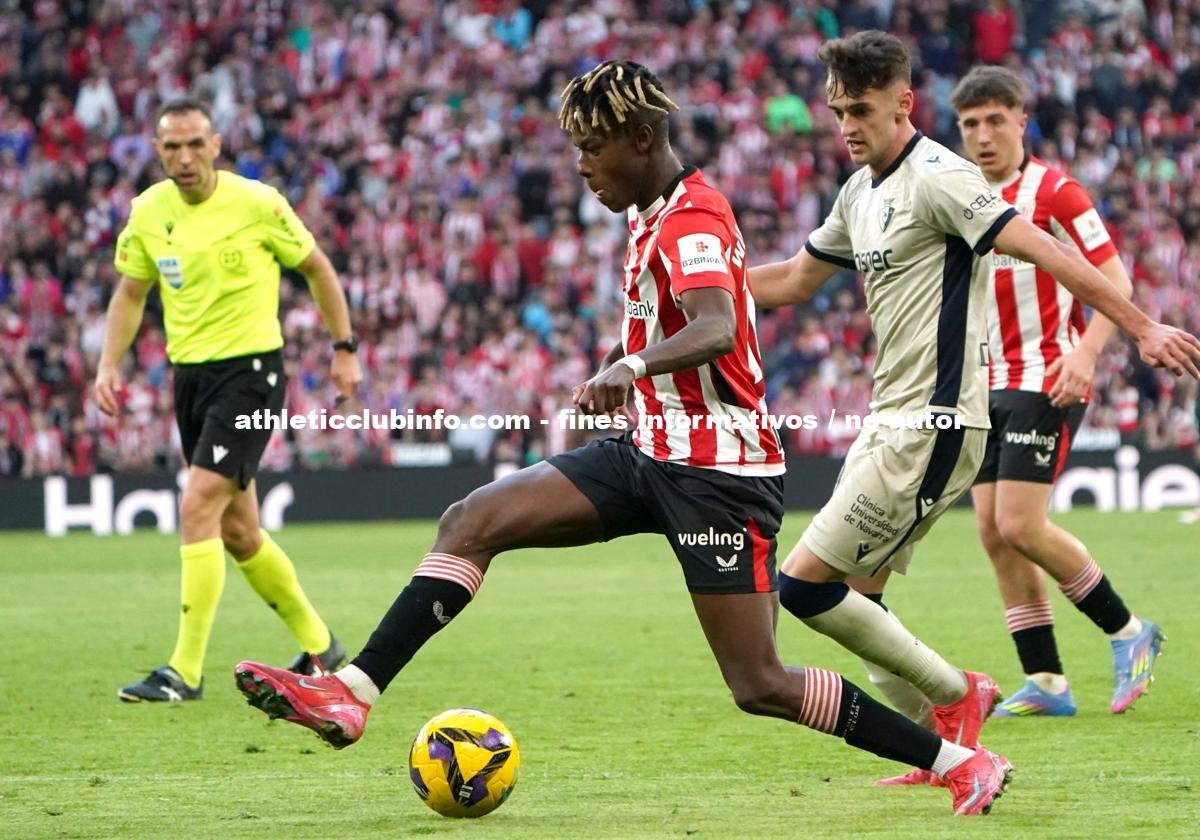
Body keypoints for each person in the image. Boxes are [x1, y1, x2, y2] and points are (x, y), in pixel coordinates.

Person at [234, 60, 1015, 816]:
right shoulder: (655, 215)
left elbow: (713, 325)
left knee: (761, 684)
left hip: (718, 471)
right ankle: (352, 693)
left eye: (591, 148)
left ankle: (960, 762)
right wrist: (624, 365)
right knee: (471, 520)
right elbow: (691, 323)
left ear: (641, 139)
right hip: (649, 450)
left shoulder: (695, 217)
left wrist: (632, 364)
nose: (581, 166)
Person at [750, 31, 1199, 786]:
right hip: (889, 419)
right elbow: (795, 280)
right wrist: (692, 282)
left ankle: (966, 694)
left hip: (935, 424)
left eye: (860, 110)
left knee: (802, 586)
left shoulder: (942, 177)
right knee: (862, 600)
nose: (846, 127)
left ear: (904, 104)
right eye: (836, 112)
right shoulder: (858, 192)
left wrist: (1137, 328)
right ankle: (953, 746)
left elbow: (1051, 252)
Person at [97, 97, 362, 702]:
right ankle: (322, 648)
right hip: (189, 379)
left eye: (196, 145)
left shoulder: (257, 203)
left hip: (253, 375)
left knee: (197, 506)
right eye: (172, 147)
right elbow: (132, 292)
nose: (185, 158)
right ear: (158, 152)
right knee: (240, 532)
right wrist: (108, 364)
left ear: (216, 145)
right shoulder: (148, 212)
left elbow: (318, 269)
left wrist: (344, 346)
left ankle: (184, 672)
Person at [952, 65, 1165, 717]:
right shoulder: (959, 194)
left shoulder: (1055, 192)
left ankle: (1130, 632)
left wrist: (1088, 353)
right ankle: (1046, 680)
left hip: (1046, 373)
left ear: (1022, 119)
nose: (983, 136)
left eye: (995, 120)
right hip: (983, 384)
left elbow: (1116, 282)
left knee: (1020, 522)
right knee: (992, 531)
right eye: (970, 125)